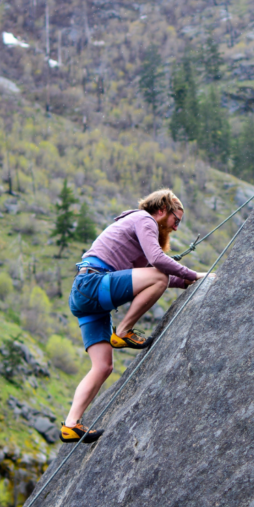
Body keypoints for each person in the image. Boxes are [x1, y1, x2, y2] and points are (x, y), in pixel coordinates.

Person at [61, 189, 209, 443]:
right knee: (158, 276)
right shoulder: (145, 220)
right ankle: (123, 331)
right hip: (94, 285)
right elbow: (157, 264)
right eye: (177, 220)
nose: (176, 227)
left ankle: (71, 424)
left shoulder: (135, 229)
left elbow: (150, 272)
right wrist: (194, 274)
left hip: (85, 296)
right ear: (162, 210)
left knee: (103, 366)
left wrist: (189, 281)